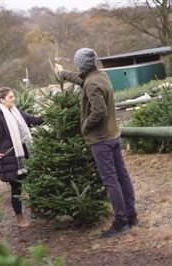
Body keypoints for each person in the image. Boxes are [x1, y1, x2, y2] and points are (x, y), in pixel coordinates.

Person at [55, 48, 139, 238]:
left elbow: (98, 111)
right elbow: (81, 79)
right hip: (113, 135)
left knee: (111, 181)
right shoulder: (100, 75)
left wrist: (85, 126)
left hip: (101, 139)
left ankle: (121, 222)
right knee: (122, 176)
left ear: (80, 63)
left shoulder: (91, 83)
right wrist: (63, 73)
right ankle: (131, 215)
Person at [0, 87, 44, 228]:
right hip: (10, 160)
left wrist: (50, 115)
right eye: (10, 97)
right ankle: (19, 217)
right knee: (16, 189)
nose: (13, 99)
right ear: (2, 100)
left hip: (27, 156)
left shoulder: (16, 112)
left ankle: (35, 210)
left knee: (32, 185)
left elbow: (34, 120)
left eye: (13, 96)